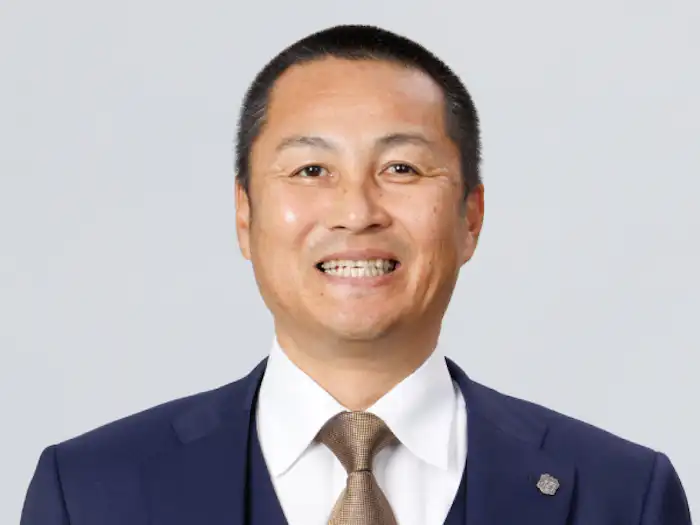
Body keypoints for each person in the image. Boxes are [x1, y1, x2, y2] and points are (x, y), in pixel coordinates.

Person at [21, 24, 691, 525]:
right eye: (311, 169)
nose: (357, 211)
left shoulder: (621, 494)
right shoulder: (90, 492)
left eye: (401, 168)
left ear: (471, 217)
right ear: (244, 215)